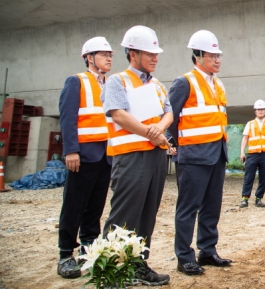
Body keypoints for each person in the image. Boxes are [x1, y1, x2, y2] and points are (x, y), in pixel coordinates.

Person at [102, 25, 173, 286]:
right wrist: (150, 132)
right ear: (132, 53)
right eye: (149, 53)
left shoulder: (157, 85)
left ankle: (138, 265)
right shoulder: (117, 81)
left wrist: (159, 129)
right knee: (123, 215)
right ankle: (110, 270)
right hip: (130, 156)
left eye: (156, 53)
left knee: (146, 214)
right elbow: (117, 113)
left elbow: (169, 113)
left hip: (154, 157)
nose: (155, 58)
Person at [167, 30, 231, 276]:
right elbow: (170, 117)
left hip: (217, 152)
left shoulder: (218, 83)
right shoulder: (185, 82)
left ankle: (207, 250)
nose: (217, 60)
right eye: (212, 55)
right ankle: (184, 257)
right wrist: (180, 146)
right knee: (188, 207)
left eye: (219, 55)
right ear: (198, 56)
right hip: (193, 155)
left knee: (212, 206)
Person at [56, 37, 114, 279]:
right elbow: (67, 117)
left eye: (111, 54)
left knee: (96, 204)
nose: (109, 58)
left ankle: (89, 246)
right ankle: (65, 253)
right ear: (89, 58)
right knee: (74, 203)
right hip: (83, 154)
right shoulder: (76, 81)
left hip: (106, 155)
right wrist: (71, 150)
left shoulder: (111, 83)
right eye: (103, 54)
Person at [240, 99, 265, 208]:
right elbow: (245, 138)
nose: (260, 111)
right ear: (255, 111)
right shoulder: (250, 124)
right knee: (249, 177)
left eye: (262, 109)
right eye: (258, 109)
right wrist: (242, 152)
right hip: (252, 154)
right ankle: (245, 199)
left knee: (263, 177)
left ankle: (258, 199)